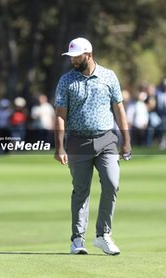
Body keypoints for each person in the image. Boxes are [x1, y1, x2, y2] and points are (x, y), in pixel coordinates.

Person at [54, 37, 131, 255]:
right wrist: (59, 146)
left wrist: (127, 140)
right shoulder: (66, 81)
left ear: (89, 54)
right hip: (77, 141)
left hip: (107, 140)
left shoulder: (108, 76)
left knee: (112, 183)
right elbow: (60, 116)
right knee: (81, 190)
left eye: (77, 56)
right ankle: (77, 239)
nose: (73, 61)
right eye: (71, 57)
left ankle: (103, 235)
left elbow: (119, 109)